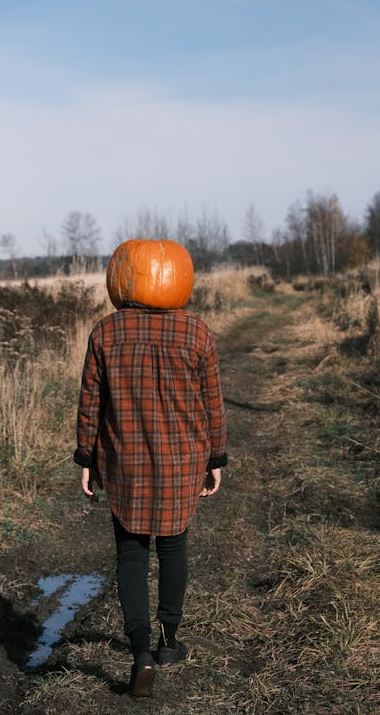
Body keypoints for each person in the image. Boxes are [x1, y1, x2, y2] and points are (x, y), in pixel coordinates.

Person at [73, 266, 227, 697]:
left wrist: (87, 454)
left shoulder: (106, 331)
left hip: (125, 459)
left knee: (131, 554)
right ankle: (168, 643)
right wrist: (216, 455)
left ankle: (140, 652)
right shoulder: (196, 330)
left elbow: (91, 401)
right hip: (183, 457)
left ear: (123, 280)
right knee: (174, 544)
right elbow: (211, 400)